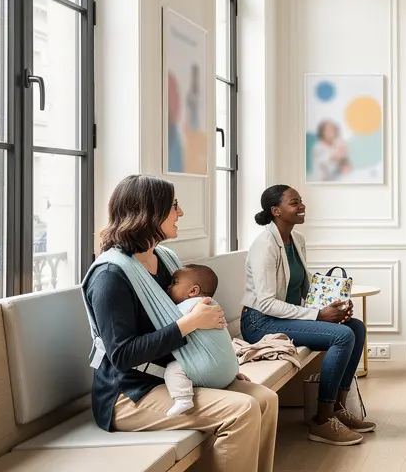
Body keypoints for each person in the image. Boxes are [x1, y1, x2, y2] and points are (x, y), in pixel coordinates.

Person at [83, 174, 277, 472]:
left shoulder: (166, 261)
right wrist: (188, 323)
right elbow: (122, 355)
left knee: (265, 399)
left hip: (173, 378)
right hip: (128, 395)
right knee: (242, 410)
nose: (181, 212)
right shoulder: (111, 276)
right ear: (149, 212)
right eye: (174, 205)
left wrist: (218, 371)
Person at [242, 185, 375, 446]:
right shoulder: (264, 246)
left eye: (301, 201)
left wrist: (333, 307)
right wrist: (318, 315)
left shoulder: (297, 240)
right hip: (260, 321)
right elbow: (267, 303)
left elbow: (305, 287)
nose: (301, 206)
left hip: (286, 318)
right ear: (276, 211)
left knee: (355, 327)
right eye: (294, 203)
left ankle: (337, 408)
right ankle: (322, 421)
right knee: (342, 337)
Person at [163, 264, 228, 417]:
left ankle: (183, 399)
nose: (168, 286)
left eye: (175, 282)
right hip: (228, 370)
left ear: (193, 291)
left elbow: (169, 325)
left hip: (210, 372)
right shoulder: (213, 304)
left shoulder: (189, 307)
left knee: (173, 370)